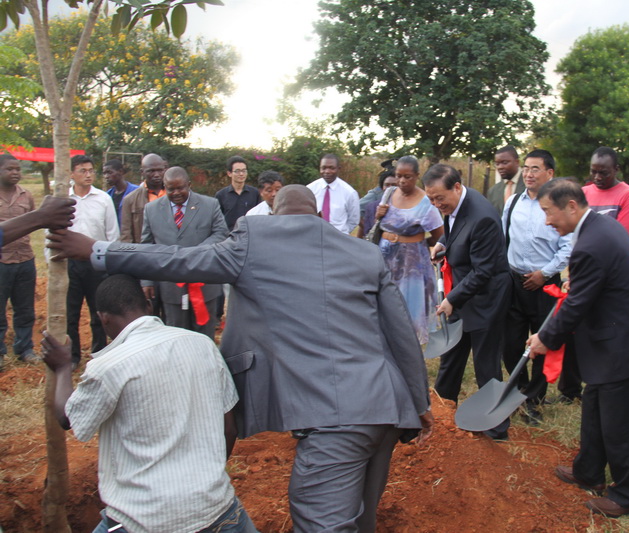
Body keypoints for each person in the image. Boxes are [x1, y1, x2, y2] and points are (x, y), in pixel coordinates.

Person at [47, 185, 433, 533]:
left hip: (336, 419)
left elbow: (177, 259)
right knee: (360, 521)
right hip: (387, 406)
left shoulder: (255, 242)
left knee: (321, 521)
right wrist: (419, 402)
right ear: (318, 216)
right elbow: (400, 331)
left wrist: (97, 250)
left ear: (274, 214)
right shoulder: (364, 252)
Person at [40, 274, 258, 533]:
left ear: (103, 318)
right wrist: (203, 480)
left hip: (143, 520)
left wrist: (62, 368)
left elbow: (68, 417)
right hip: (217, 511)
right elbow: (229, 429)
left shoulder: (109, 366)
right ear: (148, 305)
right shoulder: (203, 345)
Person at [527, 178, 629, 518]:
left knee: (620, 423)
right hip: (614, 336)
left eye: (548, 212)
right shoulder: (599, 227)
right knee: (594, 406)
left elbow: (577, 304)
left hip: (626, 343)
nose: (547, 221)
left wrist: (545, 338)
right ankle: (588, 470)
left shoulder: (592, 243)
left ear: (571, 206)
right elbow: (590, 285)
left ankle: (624, 495)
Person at [423, 164, 512, 440]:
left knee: (486, 363)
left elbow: (483, 271)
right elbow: (455, 228)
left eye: (440, 198)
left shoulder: (483, 216)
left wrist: (452, 299)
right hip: (464, 291)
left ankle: (497, 428)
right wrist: (443, 243)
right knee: (452, 355)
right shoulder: (456, 204)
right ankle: (443, 410)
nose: (437, 204)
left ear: (457, 187)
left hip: (486, 297)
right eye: (431, 199)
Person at [501, 149, 571, 425]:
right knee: (510, 343)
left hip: (545, 286)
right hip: (514, 282)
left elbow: (568, 247)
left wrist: (545, 273)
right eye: (526, 168)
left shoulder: (560, 205)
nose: (528, 174)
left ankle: (534, 398)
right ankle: (519, 390)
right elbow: (503, 236)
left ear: (550, 173)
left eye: (535, 169)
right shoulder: (513, 202)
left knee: (543, 343)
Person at [141, 166, 227, 339]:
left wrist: (196, 253)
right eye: (170, 189)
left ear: (189, 184)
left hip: (204, 282)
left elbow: (221, 233)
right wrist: (146, 281)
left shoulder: (210, 205)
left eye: (180, 188)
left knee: (204, 337)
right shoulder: (151, 209)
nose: (176, 193)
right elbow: (147, 246)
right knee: (176, 336)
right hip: (171, 285)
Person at [374, 155, 444, 344]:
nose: (402, 181)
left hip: (411, 265)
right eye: (399, 176)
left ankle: (407, 347)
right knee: (385, 302)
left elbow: (440, 236)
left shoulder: (426, 202)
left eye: (407, 177)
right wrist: (378, 215)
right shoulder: (389, 193)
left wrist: (418, 244)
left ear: (417, 176)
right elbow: (379, 226)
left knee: (409, 309)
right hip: (385, 259)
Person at [66, 154, 119, 369]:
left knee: (98, 311)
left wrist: (110, 262)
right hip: (69, 263)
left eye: (91, 170)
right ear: (71, 173)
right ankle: (72, 357)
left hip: (95, 262)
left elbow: (112, 234)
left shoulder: (103, 199)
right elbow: (52, 231)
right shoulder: (63, 198)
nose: (88, 175)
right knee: (70, 313)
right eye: (82, 171)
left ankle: (99, 354)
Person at [0, 155, 40, 367]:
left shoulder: (26, 195)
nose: (15, 172)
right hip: (2, 261)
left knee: (25, 309)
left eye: (18, 169)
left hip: (25, 259)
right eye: (10, 169)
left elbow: (32, 222)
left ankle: (25, 349)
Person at [582, 147, 629, 239]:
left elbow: (622, 238)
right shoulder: (582, 193)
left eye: (603, 173)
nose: (597, 177)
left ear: (616, 170)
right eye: (593, 172)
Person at [120, 153, 167, 243]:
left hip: (170, 249)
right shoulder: (130, 200)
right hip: (144, 249)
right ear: (142, 172)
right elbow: (126, 235)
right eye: (151, 171)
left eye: (160, 170)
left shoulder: (175, 195)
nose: (156, 175)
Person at [307, 154, 359, 234]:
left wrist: (341, 234)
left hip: (338, 237)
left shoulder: (349, 193)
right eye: (324, 168)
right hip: (314, 236)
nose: (327, 171)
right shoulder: (310, 189)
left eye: (332, 168)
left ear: (339, 169)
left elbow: (353, 220)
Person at [216, 155, 261, 231]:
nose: (241, 174)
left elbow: (259, 215)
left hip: (250, 233)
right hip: (229, 235)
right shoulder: (221, 195)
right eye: (237, 171)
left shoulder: (254, 193)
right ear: (229, 173)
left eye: (244, 171)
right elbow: (217, 220)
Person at [487, 145, 526, 216]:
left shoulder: (529, 186)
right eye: (497, 164)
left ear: (517, 162)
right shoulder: (493, 191)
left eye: (504, 163)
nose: (500, 167)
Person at [358, 168, 397, 238]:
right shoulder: (372, 207)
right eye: (387, 185)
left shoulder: (409, 205)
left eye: (394, 185)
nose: (390, 188)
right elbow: (366, 230)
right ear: (382, 187)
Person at [103, 159, 137, 226]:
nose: (106, 176)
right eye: (104, 173)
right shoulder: (107, 196)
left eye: (109, 172)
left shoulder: (136, 191)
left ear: (120, 172)